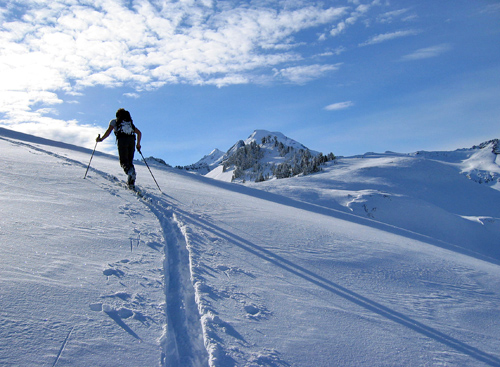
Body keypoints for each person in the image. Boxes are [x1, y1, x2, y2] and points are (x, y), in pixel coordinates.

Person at [96, 108, 142, 187]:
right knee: (130, 161)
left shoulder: (114, 122)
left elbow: (108, 131)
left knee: (123, 161)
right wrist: (138, 145)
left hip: (122, 141)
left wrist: (101, 139)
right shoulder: (129, 123)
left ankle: (130, 173)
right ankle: (131, 179)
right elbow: (139, 133)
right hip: (131, 140)